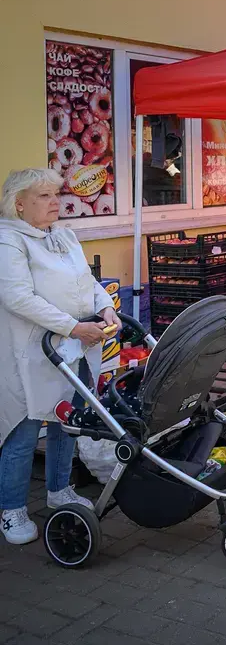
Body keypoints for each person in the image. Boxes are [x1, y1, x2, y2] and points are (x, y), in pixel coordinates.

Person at [0, 168, 121, 545]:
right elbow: (17, 298)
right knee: (23, 430)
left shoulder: (63, 235)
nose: (56, 203)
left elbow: (87, 282)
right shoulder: (9, 241)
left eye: (56, 195)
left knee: (68, 422)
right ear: (19, 204)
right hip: (32, 352)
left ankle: (58, 491)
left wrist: (105, 308)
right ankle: (11, 511)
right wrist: (72, 326)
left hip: (76, 347)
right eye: (44, 197)